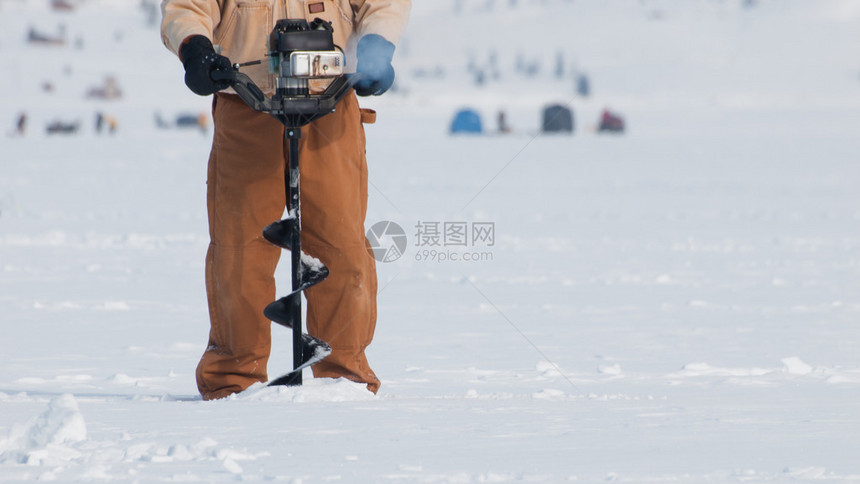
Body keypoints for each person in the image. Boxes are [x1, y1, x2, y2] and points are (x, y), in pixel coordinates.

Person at [160, 0, 411, 400]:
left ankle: (343, 380)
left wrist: (377, 47)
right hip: (245, 100)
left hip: (330, 99)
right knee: (237, 249)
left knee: (340, 247)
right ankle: (232, 382)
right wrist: (195, 49)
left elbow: (383, 4)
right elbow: (187, 7)